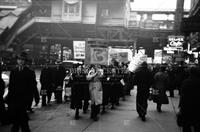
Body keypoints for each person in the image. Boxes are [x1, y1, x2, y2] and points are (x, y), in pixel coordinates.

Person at [7, 53, 37, 132]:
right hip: (14, 99)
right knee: (17, 118)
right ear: (17, 61)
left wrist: (29, 100)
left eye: (22, 60)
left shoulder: (30, 72)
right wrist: (10, 98)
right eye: (19, 59)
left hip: (24, 99)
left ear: (25, 61)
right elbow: (11, 86)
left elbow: (32, 87)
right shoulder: (13, 71)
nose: (20, 61)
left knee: (22, 118)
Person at [179, 67, 200, 132]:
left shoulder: (186, 82)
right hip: (198, 106)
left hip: (187, 106)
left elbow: (183, 95)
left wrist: (180, 106)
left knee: (186, 125)